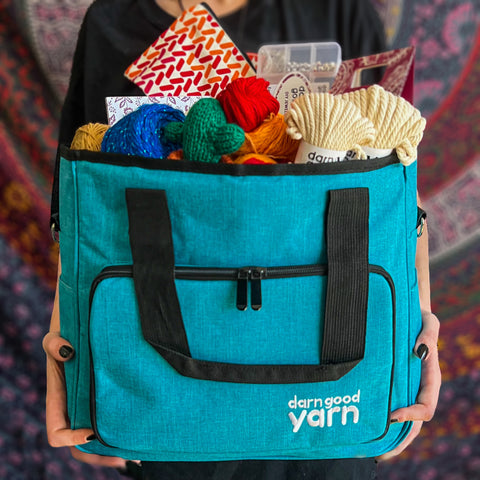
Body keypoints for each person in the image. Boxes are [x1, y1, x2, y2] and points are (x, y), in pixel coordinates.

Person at [44, 1, 441, 479]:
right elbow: (83, 214)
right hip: (156, 390)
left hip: (331, 397)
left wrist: (422, 330)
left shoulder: (341, 9)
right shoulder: (113, 20)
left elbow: (397, 199)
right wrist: (63, 362)